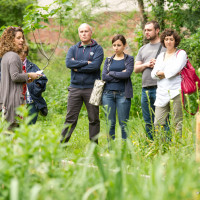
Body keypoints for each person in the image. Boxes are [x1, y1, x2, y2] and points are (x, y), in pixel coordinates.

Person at [60, 23, 104, 144]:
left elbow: (95, 66)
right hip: (75, 88)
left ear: (91, 33)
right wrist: (86, 63)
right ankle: (62, 144)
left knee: (94, 118)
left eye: (86, 31)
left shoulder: (97, 49)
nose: (84, 34)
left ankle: (94, 145)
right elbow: (69, 63)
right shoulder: (73, 49)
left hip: (92, 88)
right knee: (70, 118)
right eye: (81, 32)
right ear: (79, 34)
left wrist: (77, 66)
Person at [0, 27, 42, 129]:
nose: (22, 40)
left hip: (6, 100)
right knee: (12, 132)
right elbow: (15, 77)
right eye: (18, 38)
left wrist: (26, 78)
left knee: (8, 131)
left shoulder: (6, 56)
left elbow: (11, 78)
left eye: (22, 38)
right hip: (14, 102)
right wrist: (29, 75)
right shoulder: (14, 56)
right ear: (11, 39)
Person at [151, 29, 187, 137]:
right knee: (158, 123)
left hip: (176, 91)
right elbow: (153, 74)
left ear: (175, 41)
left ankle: (176, 149)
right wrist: (162, 74)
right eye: (166, 39)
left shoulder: (180, 54)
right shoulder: (161, 56)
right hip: (161, 93)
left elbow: (174, 70)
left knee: (177, 123)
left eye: (171, 39)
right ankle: (162, 148)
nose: (168, 42)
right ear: (163, 41)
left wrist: (161, 73)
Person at [134, 20, 166, 140]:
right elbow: (136, 69)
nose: (146, 32)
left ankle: (165, 145)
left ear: (157, 31)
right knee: (148, 121)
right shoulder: (143, 48)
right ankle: (151, 144)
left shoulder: (165, 47)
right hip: (145, 90)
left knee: (163, 120)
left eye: (149, 30)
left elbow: (173, 66)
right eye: (145, 30)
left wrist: (158, 64)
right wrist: (147, 64)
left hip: (160, 88)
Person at [102, 34, 134, 140]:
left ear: (124, 45)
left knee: (123, 124)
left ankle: (125, 149)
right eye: (114, 45)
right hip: (107, 95)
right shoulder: (108, 60)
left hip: (123, 95)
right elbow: (103, 76)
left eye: (119, 45)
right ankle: (111, 150)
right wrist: (119, 73)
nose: (116, 47)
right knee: (110, 123)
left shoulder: (129, 59)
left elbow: (127, 74)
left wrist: (111, 73)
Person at [20, 45, 48, 124]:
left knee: (30, 127)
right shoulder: (12, 66)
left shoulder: (32, 66)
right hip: (17, 102)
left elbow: (43, 79)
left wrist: (36, 90)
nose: (22, 54)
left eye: (25, 52)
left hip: (31, 102)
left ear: (27, 53)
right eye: (20, 51)